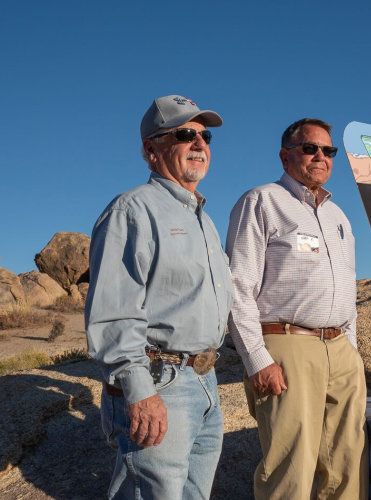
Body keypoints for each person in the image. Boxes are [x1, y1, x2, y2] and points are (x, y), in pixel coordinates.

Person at [86, 95, 234, 499]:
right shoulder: (131, 210)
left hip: (205, 379)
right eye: (185, 134)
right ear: (151, 150)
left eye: (205, 136)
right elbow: (114, 312)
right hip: (159, 381)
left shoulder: (204, 220)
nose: (200, 144)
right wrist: (139, 391)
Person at [226, 118, 366, 500]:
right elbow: (237, 286)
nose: (320, 156)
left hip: (340, 348)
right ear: (286, 155)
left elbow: (346, 285)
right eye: (310, 148)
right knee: (291, 470)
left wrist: (350, 347)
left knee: (346, 464)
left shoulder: (339, 217)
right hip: (288, 347)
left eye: (328, 150)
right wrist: (257, 358)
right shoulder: (262, 201)